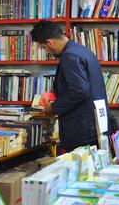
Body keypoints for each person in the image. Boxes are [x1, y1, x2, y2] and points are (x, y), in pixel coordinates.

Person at [31, 20, 110, 152]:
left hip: (82, 130)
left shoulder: (69, 56)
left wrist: (53, 107)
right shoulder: (82, 51)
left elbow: (79, 91)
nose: (47, 52)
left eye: (45, 48)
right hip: (95, 124)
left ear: (50, 42)